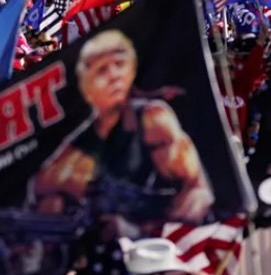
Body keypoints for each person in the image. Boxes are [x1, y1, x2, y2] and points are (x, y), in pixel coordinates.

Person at [33, 30, 214, 225]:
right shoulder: (72, 155)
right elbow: (43, 193)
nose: (114, 76)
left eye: (119, 65)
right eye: (102, 70)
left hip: (159, 239)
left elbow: (197, 189)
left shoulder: (152, 119)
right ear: (87, 88)